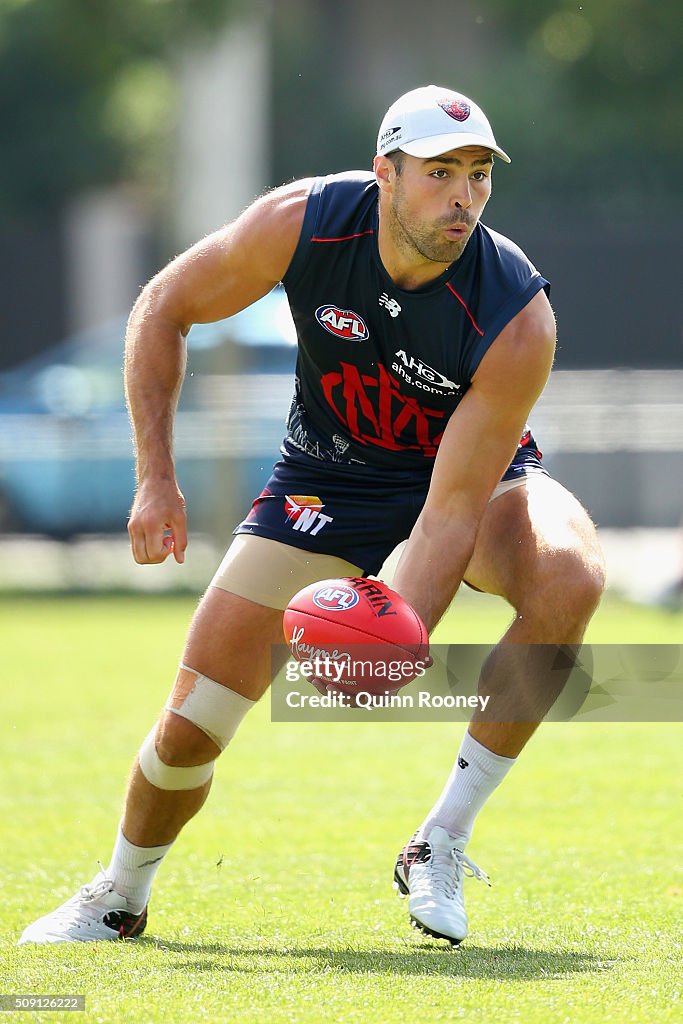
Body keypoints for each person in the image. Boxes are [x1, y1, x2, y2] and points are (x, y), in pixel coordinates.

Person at [19, 84, 605, 947]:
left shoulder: (516, 314)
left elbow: (447, 513)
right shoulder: (302, 221)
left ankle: (438, 837)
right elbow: (165, 307)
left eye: (479, 174)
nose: (464, 196)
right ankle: (119, 893)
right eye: (440, 172)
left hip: (462, 481)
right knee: (190, 728)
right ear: (384, 173)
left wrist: (392, 641)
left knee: (569, 576)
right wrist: (156, 480)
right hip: (323, 480)